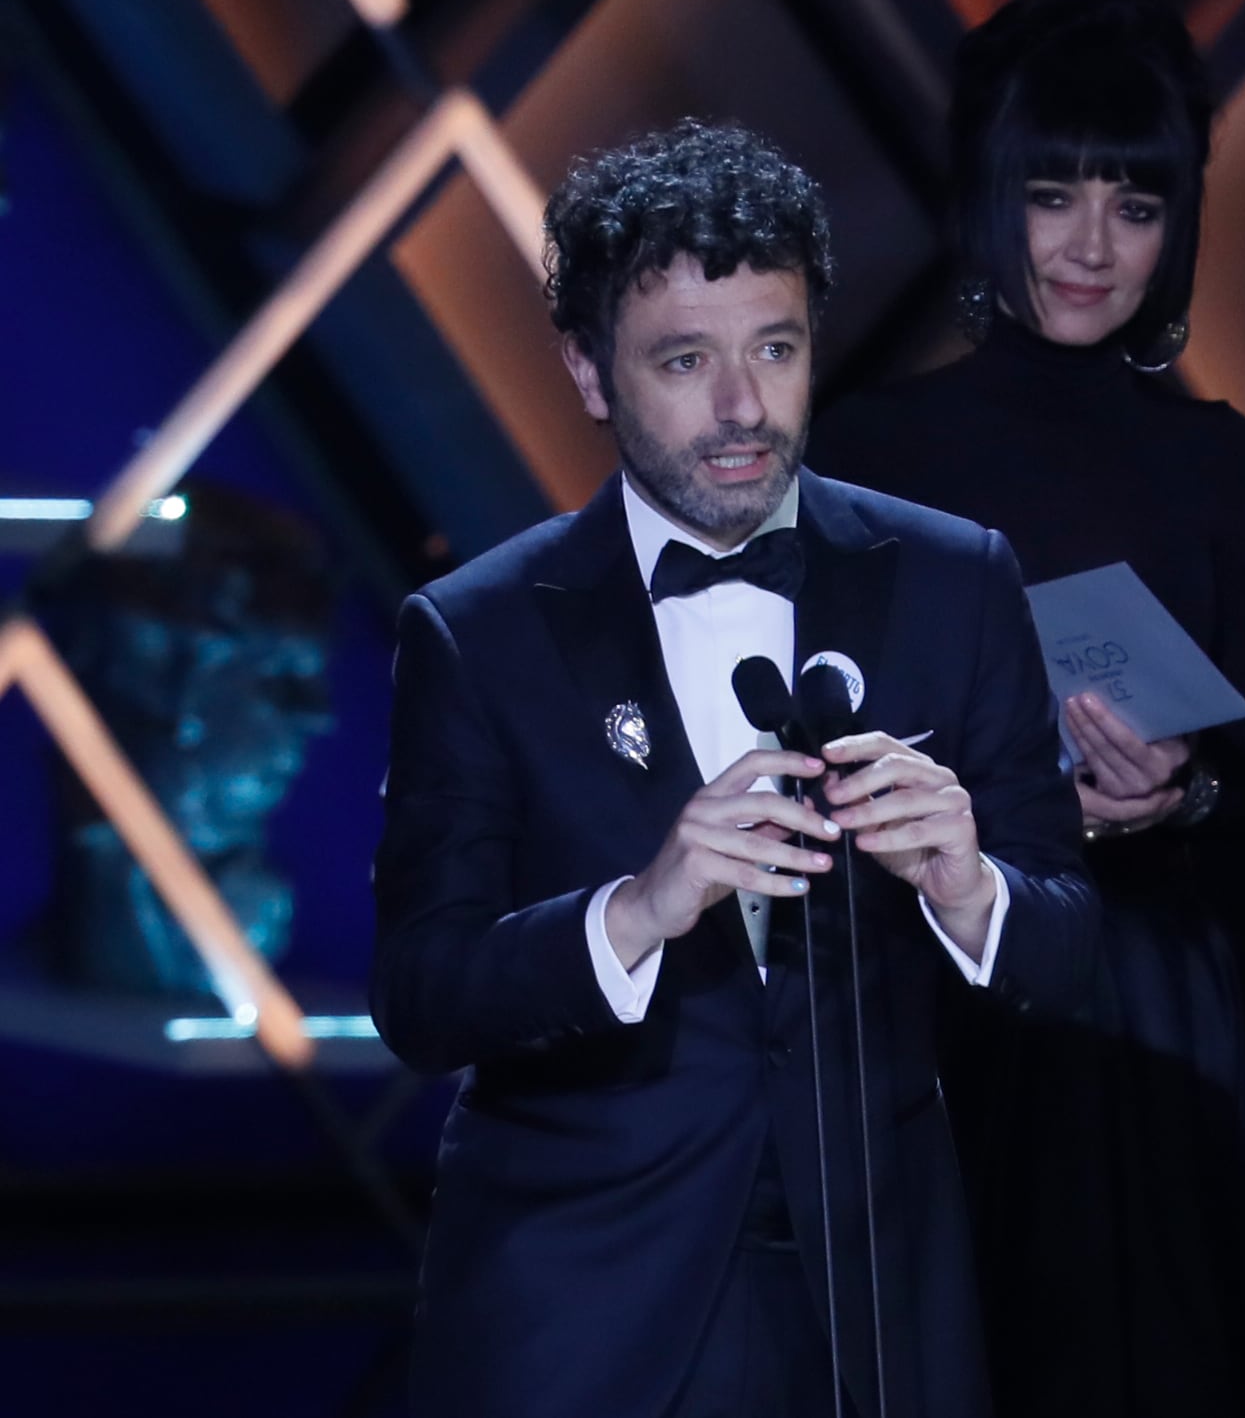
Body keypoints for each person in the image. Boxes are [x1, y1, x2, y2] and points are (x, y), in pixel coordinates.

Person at [370, 119, 1095, 1418]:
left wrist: (970, 884)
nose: (744, 408)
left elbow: (1073, 941)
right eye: (685, 362)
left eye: (776, 348)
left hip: (881, 1303)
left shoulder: (953, 580)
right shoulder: (477, 632)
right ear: (590, 373)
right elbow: (424, 992)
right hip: (585, 1313)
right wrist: (635, 911)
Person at [810, 0, 1245, 1418]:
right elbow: (803, 748)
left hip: (1146, 993)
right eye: (1055, 194)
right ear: (988, 197)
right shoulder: (870, 446)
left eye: (1137, 207)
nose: (1093, 247)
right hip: (929, 987)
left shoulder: (1219, 455)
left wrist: (1180, 788)